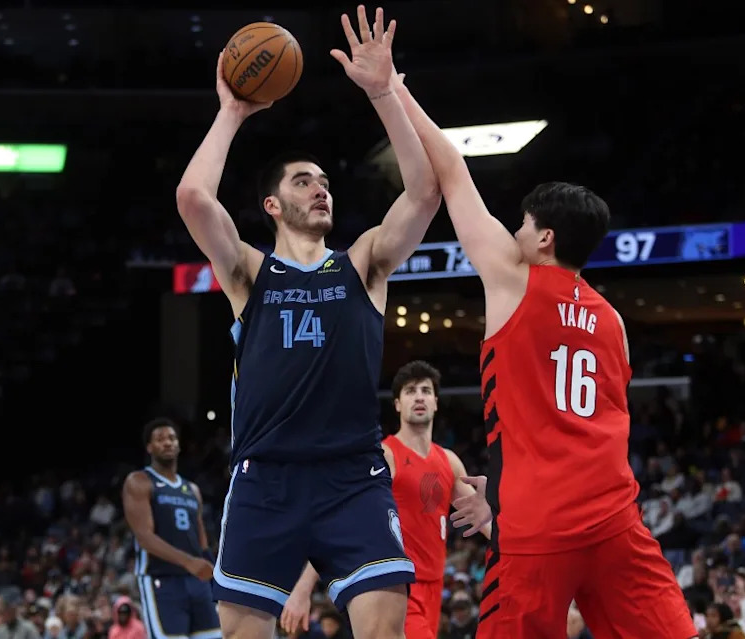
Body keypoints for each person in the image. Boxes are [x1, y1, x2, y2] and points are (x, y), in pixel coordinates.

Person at [391, 78, 697, 638]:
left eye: (524, 224)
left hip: (536, 529)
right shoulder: (614, 321)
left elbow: (452, 172)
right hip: (614, 520)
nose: (514, 231)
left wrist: (390, 86)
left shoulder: (512, 281)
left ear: (546, 238)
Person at [175, 6, 440, 638]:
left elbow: (425, 191)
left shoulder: (364, 263)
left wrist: (385, 92)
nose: (320, 189)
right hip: (266, 479)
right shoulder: (248, 272)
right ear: (273, 204)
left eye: (324, 182)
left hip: (354, 477)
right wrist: (232, 112)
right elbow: (193, 199)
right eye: (303, 182)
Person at [281, 360, 490, 638]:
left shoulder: (449, 462)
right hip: (398, 586)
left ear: (436, 402)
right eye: (410, 391)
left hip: (434, 588)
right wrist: (303, 588)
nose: (419, 397)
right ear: (397, 404)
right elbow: (342, 520)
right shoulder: (385, 456)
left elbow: (485, 521)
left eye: (426, 391)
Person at [121, 419, 220, 639]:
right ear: (149, 447)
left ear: (179, 445)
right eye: (160, 439)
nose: (167, 443)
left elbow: (201, 539)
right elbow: (145, 537)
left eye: (172, 438)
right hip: (162, 580)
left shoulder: (192, 489)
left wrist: (214, 573)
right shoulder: (139, 481)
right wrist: (189, 562)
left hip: (197, 580)